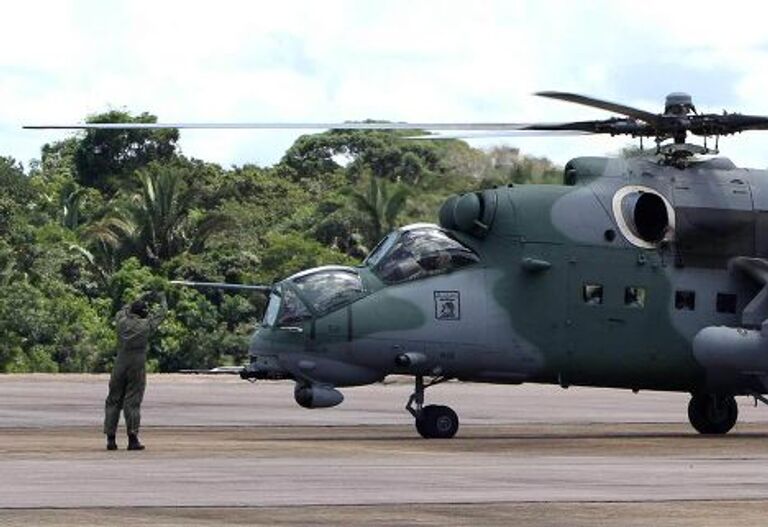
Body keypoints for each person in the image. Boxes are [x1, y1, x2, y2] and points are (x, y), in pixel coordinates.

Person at [104, 291, 167, 451]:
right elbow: (162, 314)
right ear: (143, 314)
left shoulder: (121, 321)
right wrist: (162, 299)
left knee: (113, 400)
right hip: (136, 365)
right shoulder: (146, 326)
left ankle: (111, 439)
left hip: (120, 363)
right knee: (132, 402)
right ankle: (132, 438)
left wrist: (138, 297)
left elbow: (123, 310)